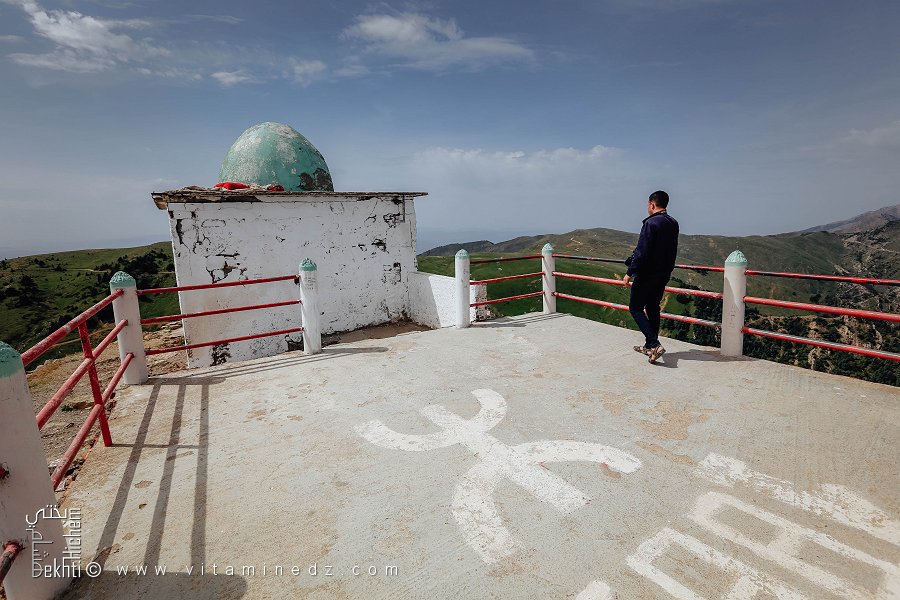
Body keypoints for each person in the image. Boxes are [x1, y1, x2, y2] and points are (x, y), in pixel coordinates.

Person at [623, 190, 679, 363]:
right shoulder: (673, 223)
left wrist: (629, 272)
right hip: (664, 273)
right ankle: (650, 347)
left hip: (648, 273)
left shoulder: (651, 223)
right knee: (653, 307)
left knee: (635, 307)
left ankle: (654, 344)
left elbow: (643, 252)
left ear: (652, 204)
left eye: (648, 204)